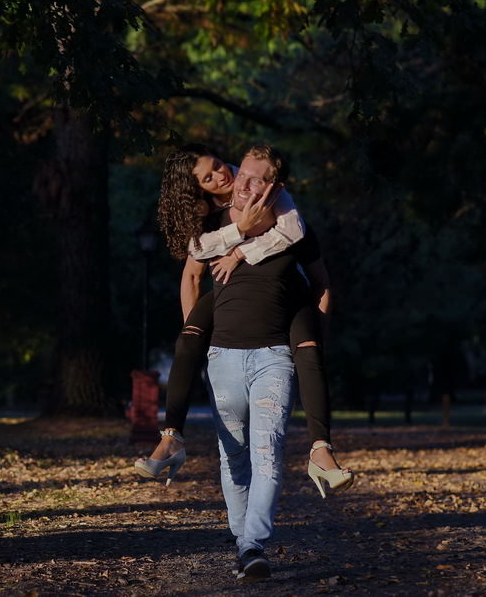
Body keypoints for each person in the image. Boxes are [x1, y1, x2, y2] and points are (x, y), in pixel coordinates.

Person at [135, 144, 353, 497]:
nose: (224, 176)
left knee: (310, 353)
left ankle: (321, 450)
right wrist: (206, 335)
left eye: (220, 166)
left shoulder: (259, 183)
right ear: (199, 188)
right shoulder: (206, 213)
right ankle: (171, 438)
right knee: (187, 339)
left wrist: (238, 252)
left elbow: (296, 231)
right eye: (209, 177)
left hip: (285, 291)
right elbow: (194, 266)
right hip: (228, 297)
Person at [201, 145, 321, 581]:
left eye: (256, 179)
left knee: (268, 452)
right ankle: (242, 539)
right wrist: (235, 236)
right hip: (222, 357)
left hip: (274, 356)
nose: (242, 184)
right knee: (233, 457)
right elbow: (194, 252)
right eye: (241, 173)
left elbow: (297, 237)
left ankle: (254, 543)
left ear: (274, 187)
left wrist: (239, 253)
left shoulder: (287, 216)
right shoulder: (212, 217)